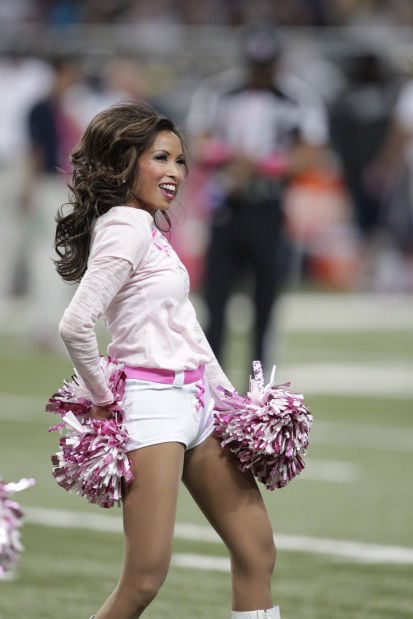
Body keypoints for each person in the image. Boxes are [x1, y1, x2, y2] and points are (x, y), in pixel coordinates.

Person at [54, 101, 280, 619]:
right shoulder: (126, 226)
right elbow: (75, 324)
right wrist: (105, 401)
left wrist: (231, 403)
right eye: (161, 158)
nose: (175, 172)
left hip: (196, 399)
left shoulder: (148, 228)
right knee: (144, 580)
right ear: (124, 161)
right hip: (153, 406)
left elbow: (187, 328)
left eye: (181, 160)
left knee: (256, 550)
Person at [185, 24, 328, 373]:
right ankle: (212, 384)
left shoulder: (296, 97)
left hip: (268, 205)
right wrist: (230, 158)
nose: (260, 74)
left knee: (265, 302)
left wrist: (265, 165)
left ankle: (257, 388)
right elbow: (196, 141)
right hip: (227, 204)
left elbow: (311, 153)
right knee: (215, 300)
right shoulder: (220, 92)